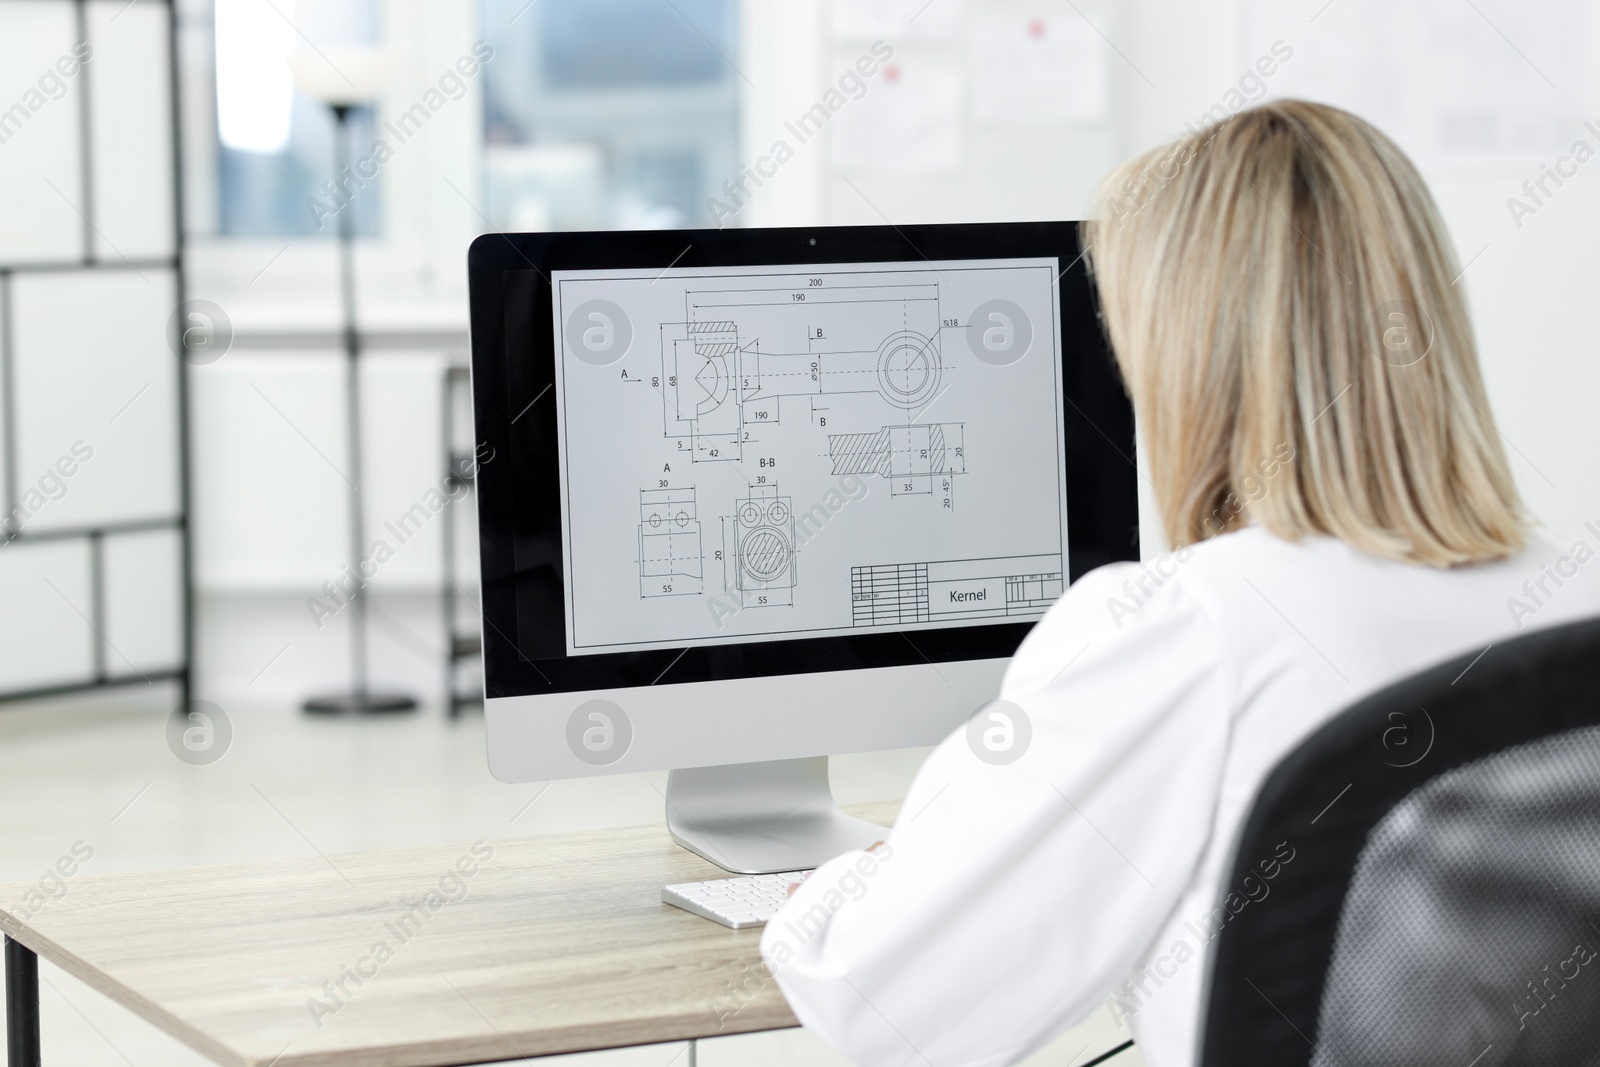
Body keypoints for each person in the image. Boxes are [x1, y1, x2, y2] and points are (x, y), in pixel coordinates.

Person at [761, 100, 1600, 1067]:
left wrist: (835, 890)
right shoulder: (1573, 601)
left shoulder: (1189, 626)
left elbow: (882, 1001)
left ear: (1185, 358)